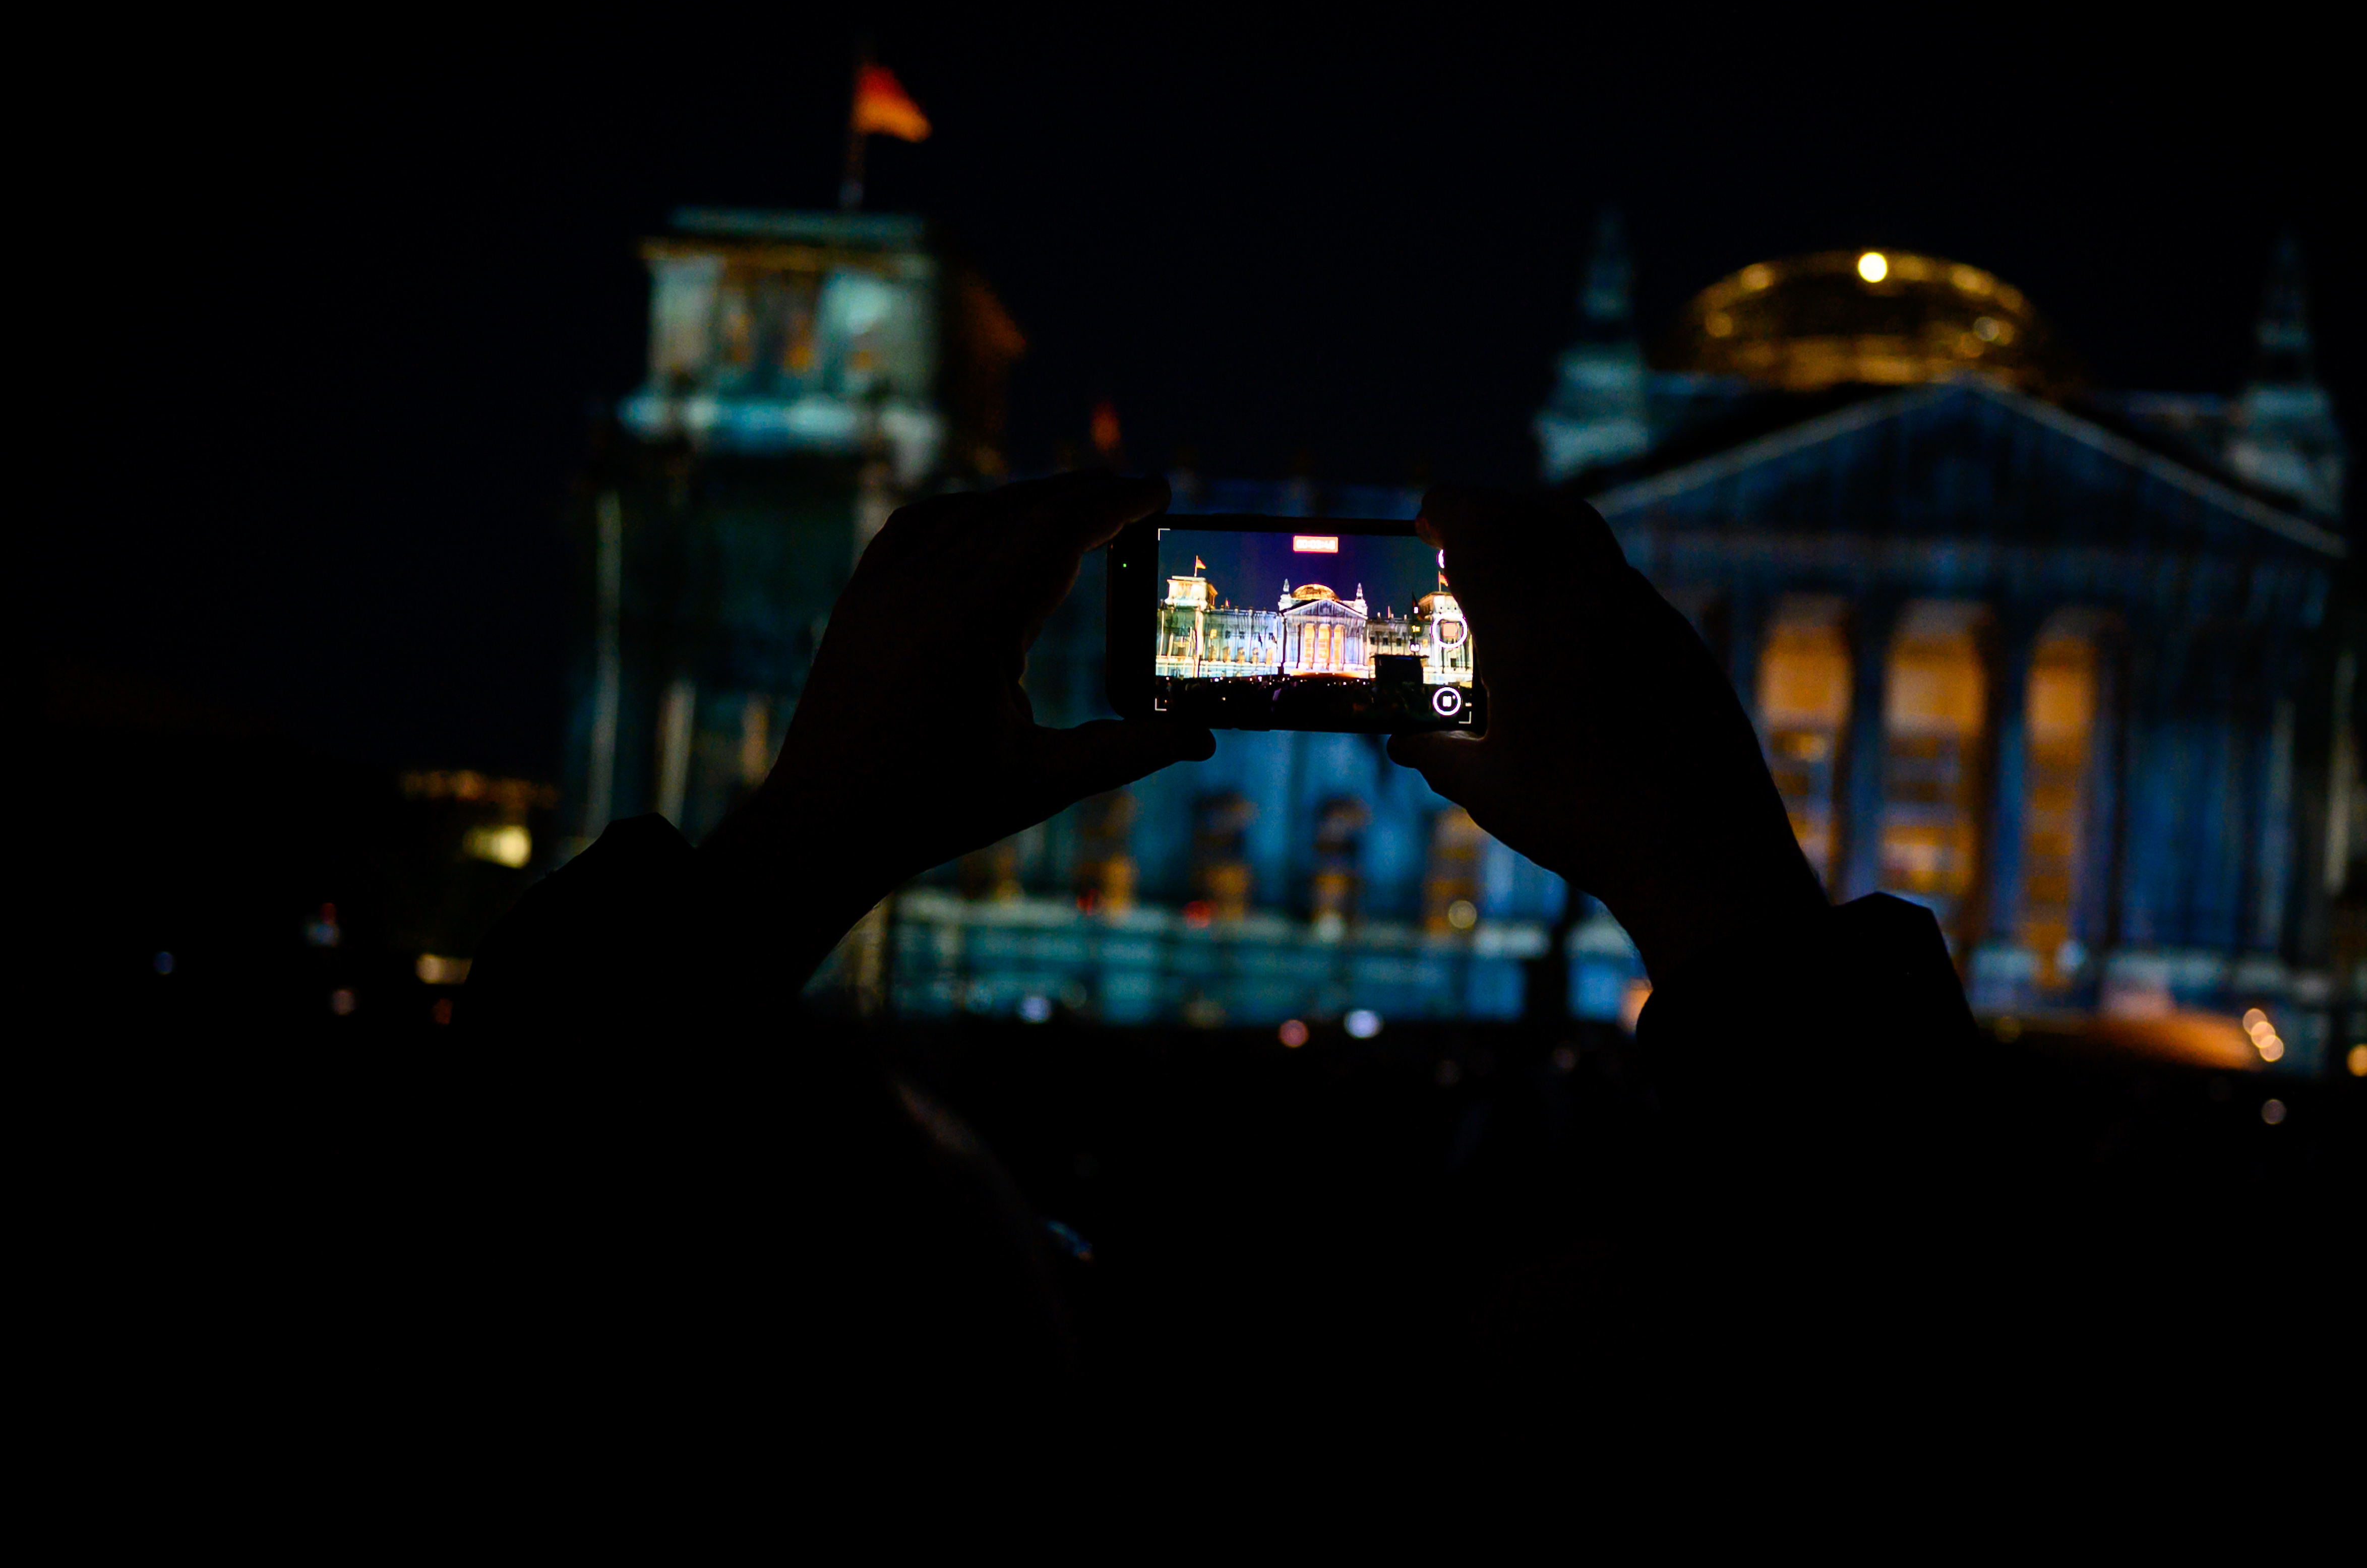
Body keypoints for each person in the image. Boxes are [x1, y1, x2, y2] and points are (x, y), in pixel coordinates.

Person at [460, 471, 1978, 1403]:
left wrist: (793, 848)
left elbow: (499, 1179)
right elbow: (1900, 1305)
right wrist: (1723, 883)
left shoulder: (552, 1225)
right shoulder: (1709, 1322)